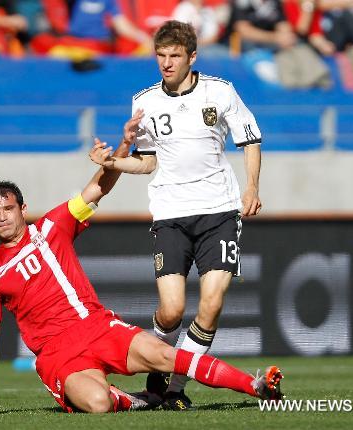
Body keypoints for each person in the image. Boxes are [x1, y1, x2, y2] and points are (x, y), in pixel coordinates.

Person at [0, 133, 283, 415]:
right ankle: (142, 400)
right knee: (98, 403)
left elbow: (96, 190)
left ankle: (256, 386)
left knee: (163, 355)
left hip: (97, 327)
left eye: (8, 208)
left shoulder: (51, 226)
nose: (2, 217)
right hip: (57, 355)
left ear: (23, 209)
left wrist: (121, 149)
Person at [89, 20, 263, 411]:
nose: (166, 63)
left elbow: (250, 139)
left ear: (192, 57)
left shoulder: (220, 91)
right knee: (170, 311)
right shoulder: (144, 101)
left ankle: (175, 387)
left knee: (211, 303)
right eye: (161, 55)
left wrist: (251, 187)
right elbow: (147, 163)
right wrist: (114, 159)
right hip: (170, 214)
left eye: (174, 56)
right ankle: (159, 365)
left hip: (219, 210)